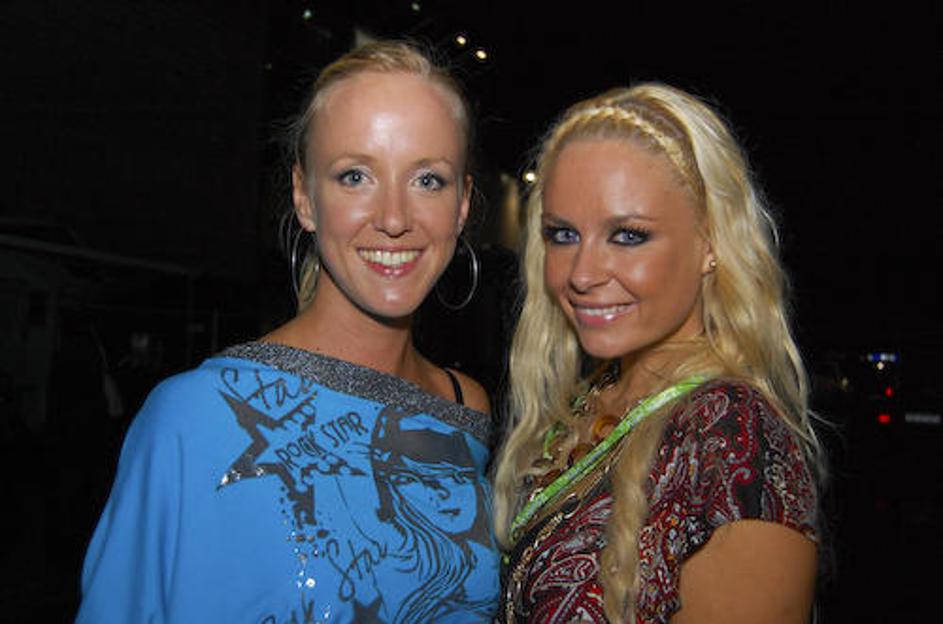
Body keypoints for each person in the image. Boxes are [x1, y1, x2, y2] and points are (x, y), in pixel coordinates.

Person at [77, 40, 499, 623]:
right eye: (355, 176)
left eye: (428, 180)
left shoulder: (464, 408)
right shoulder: (193, 416)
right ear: (304, 197)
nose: (394, 218)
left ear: (463, 204)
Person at [493, 83, 823, 623]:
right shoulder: (590, 401)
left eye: (627, 236)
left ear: (711, 242)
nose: (582, 274)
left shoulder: (733, 439)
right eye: (563, 235)